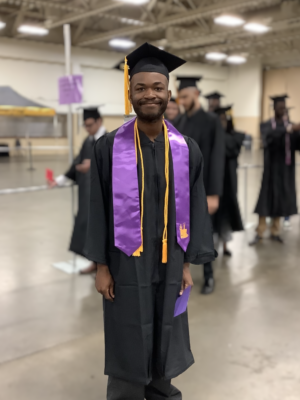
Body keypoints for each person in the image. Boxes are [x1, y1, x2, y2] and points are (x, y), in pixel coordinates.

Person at [84, 43, 215, 400]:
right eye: (140, 88)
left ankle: (160, 391)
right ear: (130, 93)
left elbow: (194, 208)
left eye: (157, 87)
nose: (149, 94)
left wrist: (186, 264)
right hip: (125, 264)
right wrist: (100, 265)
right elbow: (97, 208)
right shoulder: (109, 148)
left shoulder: (187, 149)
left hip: (171, 263)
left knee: (165, 332)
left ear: (168, 93)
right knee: (129, 337)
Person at [176, 77, 225, 295]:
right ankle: (180, 272)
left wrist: (213, 193)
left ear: (196, 94)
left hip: (204, 188)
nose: (182, 101)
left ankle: (209, 276)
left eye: (185, 97)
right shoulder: (180, 122)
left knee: (206, 232)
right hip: (182, 188)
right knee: (181, 231)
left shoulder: (212, 121)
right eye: (180, 97)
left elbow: (217, 157)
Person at [48, 107, 107, 274]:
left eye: (90, 125)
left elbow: (117, 166)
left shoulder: (108, 140)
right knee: (87, 226)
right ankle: (95, 261)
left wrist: (94, 165)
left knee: (100, 228)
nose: (88, 129)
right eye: (85, 126)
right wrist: (58, 180)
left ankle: (102, 264)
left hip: (103, 195)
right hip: (87, 194)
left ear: (99, 121)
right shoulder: (89, 141)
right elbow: (76, 163)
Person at [250, 95, 300, 245]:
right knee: (265, 199)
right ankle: (260, 231)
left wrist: (297, 132)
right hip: (270, 169)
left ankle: (275, 231)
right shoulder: (266, 125)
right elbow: (268, 139)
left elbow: (296, 145)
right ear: (274, 109)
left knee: (281, 199)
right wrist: (288, 129)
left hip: (286, 169)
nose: (282, 110)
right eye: (279, 107)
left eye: (284, 107)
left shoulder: (290, 125)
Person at [213, 106, 245, 256]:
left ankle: (225, 246)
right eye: (219, 120)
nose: (221, 122)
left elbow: (230, 148)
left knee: (226, 216)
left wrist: (219, 132)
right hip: (214, 183)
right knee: (213, 217)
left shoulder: (235, 137)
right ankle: (212, 247)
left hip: (229, 183)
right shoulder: (213, 137)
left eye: (224, 119)